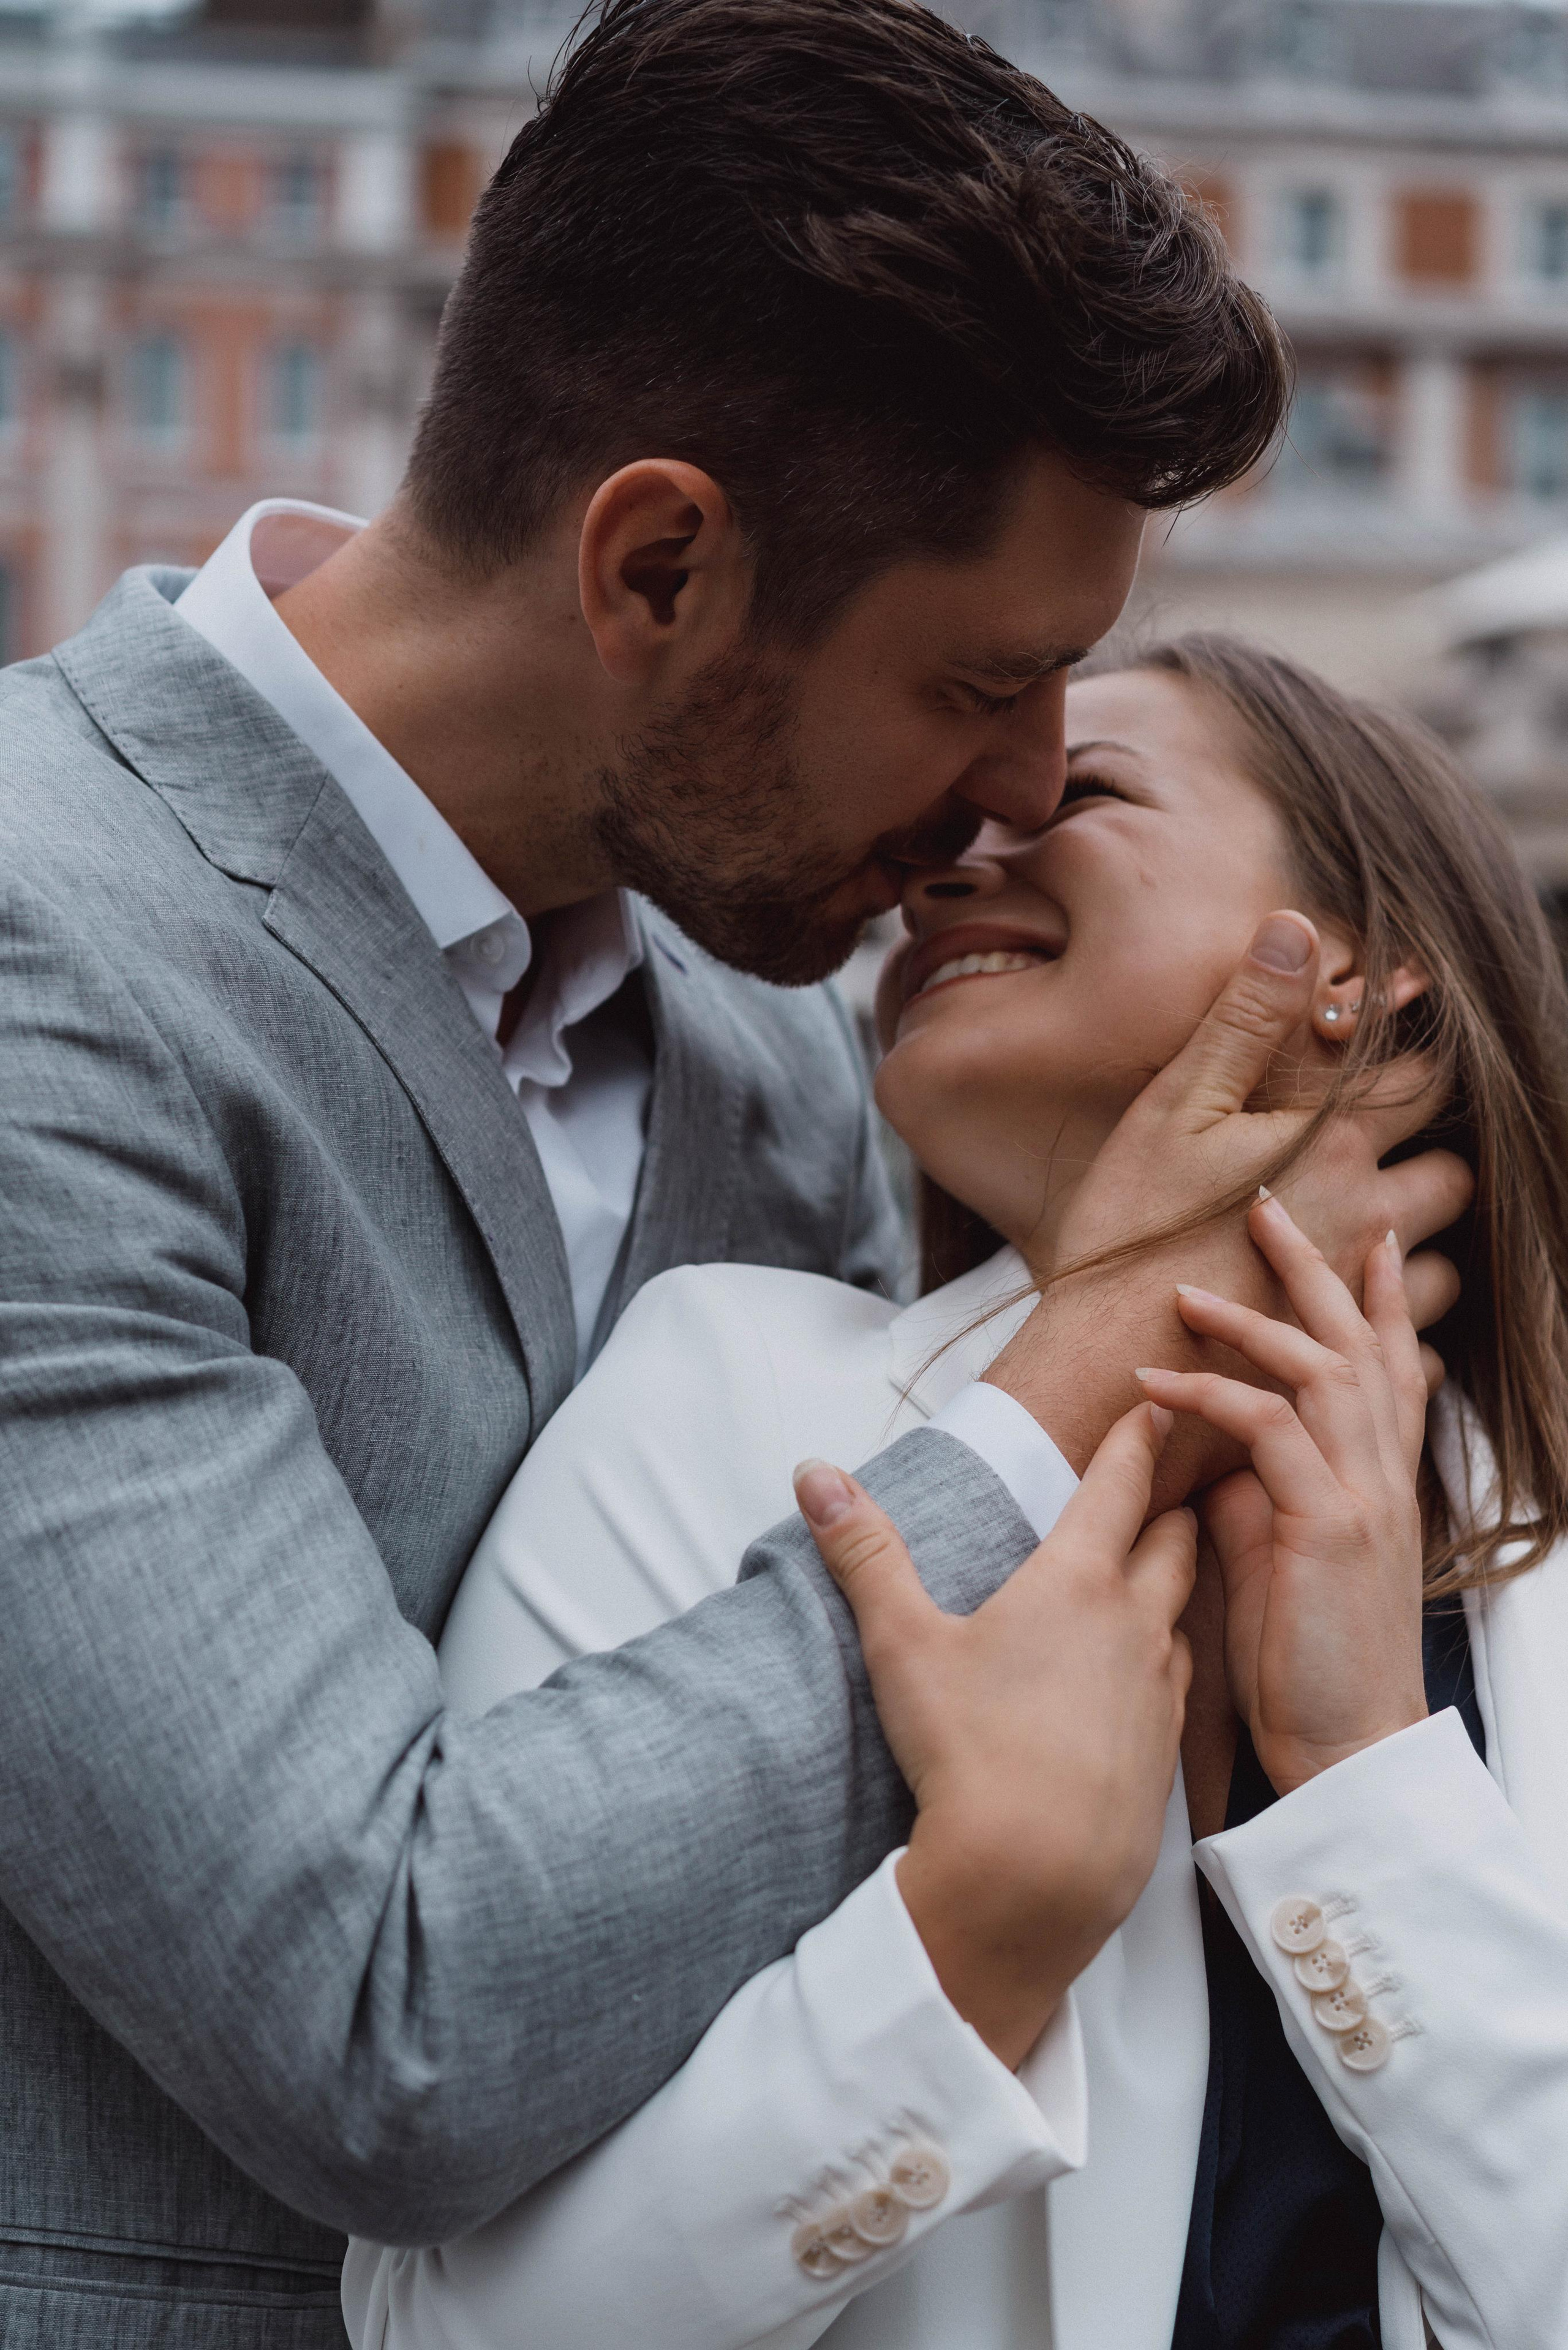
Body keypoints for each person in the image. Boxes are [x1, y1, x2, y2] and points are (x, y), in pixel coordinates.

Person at [0, 2, 1463, 2342]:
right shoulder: (43, 952)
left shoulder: (791, 1034)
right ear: (659, 565)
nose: (1025, 787)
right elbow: (387, 2018)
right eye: (987, 680)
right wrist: (1093, 1340)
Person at [344, 639, 1566, 2350]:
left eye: (1084, 794)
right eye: (942, 826)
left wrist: (1364, 1777)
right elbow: (440, 2328)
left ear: (1366, 972)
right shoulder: (720, 1397)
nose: (946, 864)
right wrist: (973, 1941)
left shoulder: (1543, 1569)